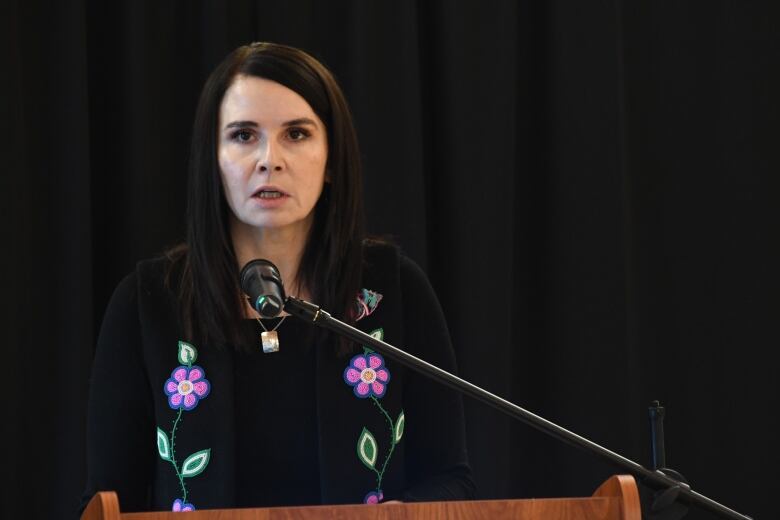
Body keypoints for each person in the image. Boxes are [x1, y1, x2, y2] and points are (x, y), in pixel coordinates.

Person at [80, 42, 474, 514]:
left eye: (297, 134)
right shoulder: (148, 304)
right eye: (244, 135)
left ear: (332, 160)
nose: (270, 159)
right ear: (212, 158)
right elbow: (109, 501)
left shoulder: (394, 293)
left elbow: (449, 479)